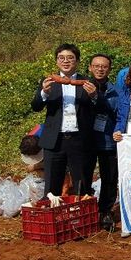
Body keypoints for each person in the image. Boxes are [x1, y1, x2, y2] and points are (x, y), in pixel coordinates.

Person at [30, 43, 98, 197]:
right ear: (56, 61)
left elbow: (100, 108)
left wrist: (94, 96)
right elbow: (35, 106)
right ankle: (54, 217)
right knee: (52, 184)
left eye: (70, 58)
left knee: (82, 183)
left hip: (80, 139)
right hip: (55, 140)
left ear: (77, 61)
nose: (65, 61)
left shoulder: (88, 81)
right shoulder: (48, 81)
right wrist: (44, 93)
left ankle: (81, 216)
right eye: (61, 58)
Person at [84, 53, 119, 228]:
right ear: (90, 67)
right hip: (87, 140)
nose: (100, 69)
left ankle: (105, 211)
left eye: (104, 66)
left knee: (110, 178)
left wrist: (97, 97)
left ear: (109, 69)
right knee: (84, 177)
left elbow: (115, 112)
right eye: (96, 66)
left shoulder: (115, 91)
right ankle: (85, 211)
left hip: (108, 140)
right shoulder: (81, 86)